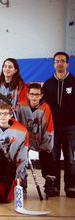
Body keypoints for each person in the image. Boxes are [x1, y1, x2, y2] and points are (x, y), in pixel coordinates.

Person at [15, 83, 58, 197]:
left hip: (40, 139)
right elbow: (16, 125)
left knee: (47, 158)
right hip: (25, 140)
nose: (34, 97)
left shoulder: (45, 108)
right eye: (32, 94)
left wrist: (46, 146)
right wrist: (20, 143)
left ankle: (49, 185)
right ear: (28, 95)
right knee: (21, 159)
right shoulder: (21, 106)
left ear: (41, 96)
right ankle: (22, 185)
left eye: (37, 95)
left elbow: (49, 128)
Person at [43, 52, 75, 198]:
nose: (60, 63)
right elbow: (43, 107)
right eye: (57, 61)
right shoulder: (48, 84)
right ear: (54, 64)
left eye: (62, 61)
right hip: (52, 127)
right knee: (54, 157)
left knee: (69, 157)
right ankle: (54, 187)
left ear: (67, 63)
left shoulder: (74, 82)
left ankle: (71, 187)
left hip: (70, 127)